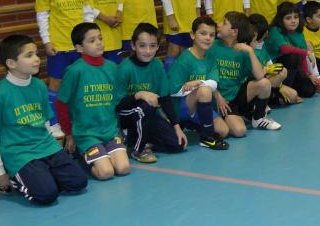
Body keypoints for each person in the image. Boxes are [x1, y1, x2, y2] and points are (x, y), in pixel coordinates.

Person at [0, 35, 87, 204]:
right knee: (46, 195)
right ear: (11, 63)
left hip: (45, 147)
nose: (37, 59)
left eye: (36, 53)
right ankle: (16, 177)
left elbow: (45, 122)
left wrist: (55, 148)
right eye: (29, 55)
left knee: (78, 182)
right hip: (20, 154)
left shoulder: (39, 86)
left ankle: (41, 175)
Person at [55, 23, 130, 180]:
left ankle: (101, 154)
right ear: (79, 48)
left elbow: (119, 100)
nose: (99, 43)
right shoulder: (74, 71)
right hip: (86, 134)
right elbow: (61, 104)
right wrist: (69, 134)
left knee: (123, 168)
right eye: (92, 40)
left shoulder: (112, 67)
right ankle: (81, 156)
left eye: (100, 38)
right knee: (106, 172)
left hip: (110, 132)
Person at [35, 0, 94, 132]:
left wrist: (88, 39)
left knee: (80, 82)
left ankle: (77, 119)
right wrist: (47, 41)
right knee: (56, 83)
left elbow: (87, 12)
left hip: (78, 45)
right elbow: (42, 16)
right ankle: (53, 122)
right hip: (59, 45)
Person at [116, 23, 187, 164]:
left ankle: (137, 139)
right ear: (133, 45)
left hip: (147, 114)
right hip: (125, 114)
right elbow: (118, 105)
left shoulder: (157, 65)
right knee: (145, 105)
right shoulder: (125, 68)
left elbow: (165, 98)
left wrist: (177, 127)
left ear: (158, 47)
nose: (148, 51)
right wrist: (138, 95)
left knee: (179, 144)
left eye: (152, 46)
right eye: (142, 46)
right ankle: (138, 149)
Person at [210, 12, 282, 136]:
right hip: (217, 97)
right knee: (238, 131)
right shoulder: (213, 46)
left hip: (235, 98)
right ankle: (224, 117)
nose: (219, 24)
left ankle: (258, 118)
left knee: (264, 83)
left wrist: (250, 51)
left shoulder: (242, 50)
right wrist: (218, 97)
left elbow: (259, 76)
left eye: (224, 23)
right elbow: (206, 75)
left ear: (234, 32)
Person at [168, 16, 230, 150]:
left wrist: (198, 82)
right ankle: (206, 137)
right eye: (203, 33)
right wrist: (197, 87)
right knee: (205, 90)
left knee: (223, 131)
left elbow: (213, 83)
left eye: (212, 35)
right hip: (180, 107)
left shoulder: (210, 57)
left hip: (199, 105)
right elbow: (172, 91)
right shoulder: (184, 59)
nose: (208, 38)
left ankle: (194, 125)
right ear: (192, 35)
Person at [265, 2, 319, 98]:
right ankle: (282, 91)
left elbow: (302, 57)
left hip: (292, 69)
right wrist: (307, 52)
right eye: (288, 18)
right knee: (292, 57)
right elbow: (285, 49)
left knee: (310, 90)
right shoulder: (275, 30)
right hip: (274, 68)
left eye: (296, 17)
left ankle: (291, 90)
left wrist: (306, 75)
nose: (293, 21)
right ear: (281, 20)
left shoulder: (299, 31)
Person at [248, 13, 300, 105]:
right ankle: (266, 99)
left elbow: (269, 62)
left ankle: (273, 95)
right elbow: (255, 75)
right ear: (266, 33)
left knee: (293, 94)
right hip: (258, 82)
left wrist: (280, 85)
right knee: (282, 74)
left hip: (268, 78)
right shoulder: (249, 50)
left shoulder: (262, 44)